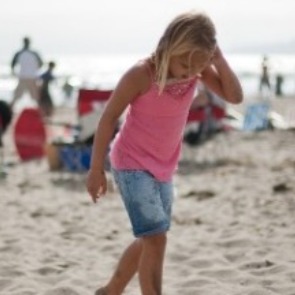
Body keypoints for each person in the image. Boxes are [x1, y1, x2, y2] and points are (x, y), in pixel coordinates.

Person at [86, 11, 243, 295]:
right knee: (156, 239)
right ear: (170, 45)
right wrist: (96, 168)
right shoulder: (141, 75)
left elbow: (234, 97)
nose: (187, 72)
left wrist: (217, 60)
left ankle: (110, 291)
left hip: (164, 168)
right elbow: (108, 118)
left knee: (151, 239)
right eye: (183, 63)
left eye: (195, 67)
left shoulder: (198, 68)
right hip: (131, 163)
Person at [10, 36, 43, 108]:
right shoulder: (34, 53)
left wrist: (14, 73)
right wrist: (34, 69)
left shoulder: (19, 53)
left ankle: (9, 110)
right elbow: (41, 64)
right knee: (36, 97)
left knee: (17, 96)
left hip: (23, 77)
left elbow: (12, 65)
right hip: (32, 77)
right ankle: (40, 112)